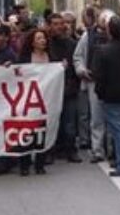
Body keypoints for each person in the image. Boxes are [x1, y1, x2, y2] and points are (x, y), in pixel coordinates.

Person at [93, 16, 120, 177]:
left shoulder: (103, 50)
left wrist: (100, 92)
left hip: (112, 95)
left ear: (109, 30)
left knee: (119, 131)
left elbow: (100, 75)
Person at [14, 28, 53, 176]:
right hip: (28, 99)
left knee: (42, 130)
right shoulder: (25, 58)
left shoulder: (51, 57)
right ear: (32, 42)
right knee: (26, 130)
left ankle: (40, 163)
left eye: (43, 38)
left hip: (45, 99)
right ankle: (24, 164)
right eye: (38, 38)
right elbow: (16, 73)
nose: (42, 41)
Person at [73, 9, 109, 163]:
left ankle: (112, 148)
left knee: (113, 117)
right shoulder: (88, 36)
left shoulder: (117, 36)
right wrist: (81, 70)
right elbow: (78, 56)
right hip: (93, 80)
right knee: (97, 117)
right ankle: (98, 149)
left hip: (112, 82)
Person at [49, 13, 82, 163]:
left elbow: (76, 63)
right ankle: (51, 150)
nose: (59, 27)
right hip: (50, 90)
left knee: (69, 123)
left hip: (68, 88)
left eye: (60, 24)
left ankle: (70, 149)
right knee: (53, 121)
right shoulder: (47, 44)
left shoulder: (71, 44)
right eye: (55, 24)